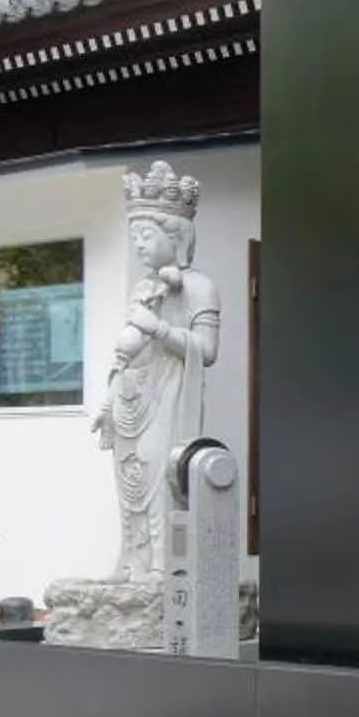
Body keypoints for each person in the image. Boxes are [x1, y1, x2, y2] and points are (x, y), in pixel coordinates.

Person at [89, 162, 220, 579]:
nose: (139, 246)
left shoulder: (200, 286)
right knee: (130, 474)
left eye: (147, 235)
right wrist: (109, 400)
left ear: (176, 236)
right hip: (134, 392)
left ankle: (165, 563)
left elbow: (207, 351)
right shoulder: (142, 287)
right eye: (134, 237)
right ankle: (133, 559)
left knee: (162, 473)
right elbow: (127, 351)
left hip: (171, 389)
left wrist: (159, 328)